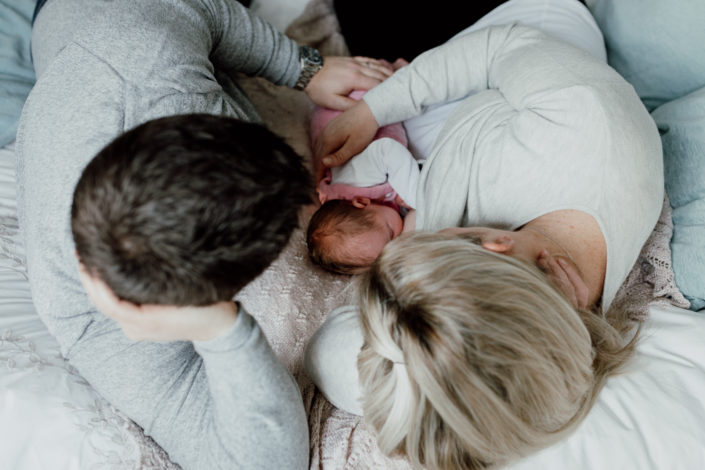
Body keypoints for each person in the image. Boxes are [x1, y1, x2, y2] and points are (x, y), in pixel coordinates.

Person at [16, 0, 392, 468]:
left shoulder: (149, 51)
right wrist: (220, 327)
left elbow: (201, 11)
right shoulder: (92, 321)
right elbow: (266, 462)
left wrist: (303, 68)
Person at [305, 0, 664, 468]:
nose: (425, 228)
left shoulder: (489, 328)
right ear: (495, 241)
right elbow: (500, 47)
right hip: (523, 23)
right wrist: (375, 109)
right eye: (439, 238)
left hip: (448, 128)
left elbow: (328, 350)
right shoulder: (587, 121)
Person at [307, 88, 419, 274]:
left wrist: (415, 195)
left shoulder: (356, 178)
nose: (399, 237)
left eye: (391, 232)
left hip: (358, 98)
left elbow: (388, 150)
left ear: (362, 202)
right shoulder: (370, 214)